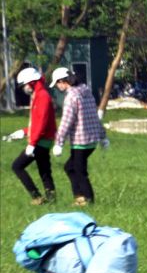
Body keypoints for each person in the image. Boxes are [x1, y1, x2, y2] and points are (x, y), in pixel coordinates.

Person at [50, 68, 109, 207]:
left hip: (79, 141)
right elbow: (95, 117)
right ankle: (79, 196)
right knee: (69, 167)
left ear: (63, 82)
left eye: (57, 84)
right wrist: (102, 136)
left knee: (79, 171)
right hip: (92, 141)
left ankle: (87, 199)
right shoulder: (87, 93)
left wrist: (59, 143)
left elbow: (66, 121)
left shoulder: (71, 97)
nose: (58, 87)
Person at [12, 67, 58, 205]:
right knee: (44, 171)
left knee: (17, 166)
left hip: (40, 140)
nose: (24, 88)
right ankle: (51, 199)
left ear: (31, 82)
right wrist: (24, 131)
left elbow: (42, 122)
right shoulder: (39, 95)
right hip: (42, 139)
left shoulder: (42, 96)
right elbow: (37, 122)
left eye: (24, 85)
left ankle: (36, 196)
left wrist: (32, 143)